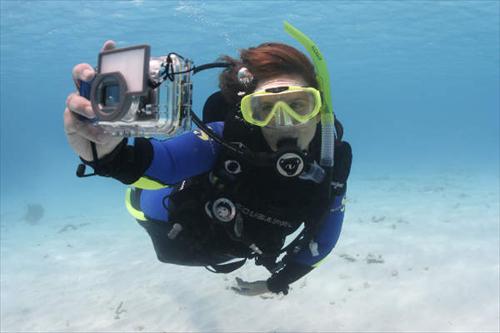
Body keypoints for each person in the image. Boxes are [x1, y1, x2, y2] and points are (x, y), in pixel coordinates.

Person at [64, 31, 352, 296]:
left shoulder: (330, 163)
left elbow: (323, 240)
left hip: (231, 250)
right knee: (140, 199)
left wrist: (275, 282)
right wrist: (110, 157)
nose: (284, 122)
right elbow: (166, 163)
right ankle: (134, 198)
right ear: (249, 112)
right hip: (166, 219)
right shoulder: (226, 139)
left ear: (319, 111)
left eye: (299, 105)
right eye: (266, 109)